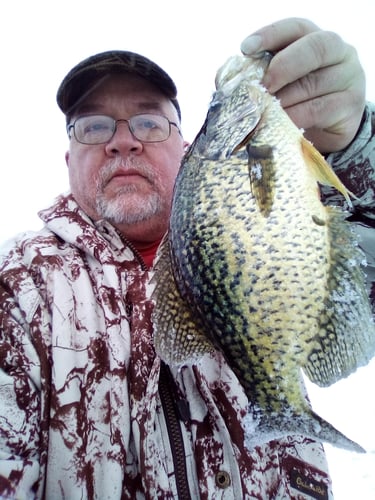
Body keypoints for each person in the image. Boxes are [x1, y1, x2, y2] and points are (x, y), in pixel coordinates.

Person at [0, 17, 374, 499]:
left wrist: (353, 144)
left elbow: (352, 256)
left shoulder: (259, 187)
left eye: (150, 122)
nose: (123, 140)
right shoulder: (18, 287)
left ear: (185, 147)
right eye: (93, 126)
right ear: (68, 160)